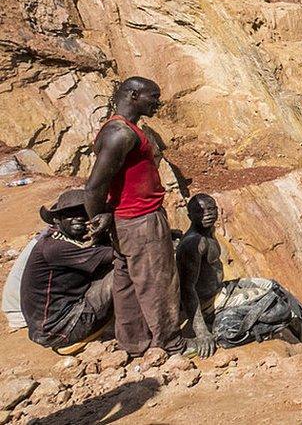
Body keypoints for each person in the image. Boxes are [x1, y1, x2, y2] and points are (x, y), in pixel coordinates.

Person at [85, 77, 185, 356]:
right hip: (139, 219)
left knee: (127, 281)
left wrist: (108, 217)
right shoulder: (122, 134)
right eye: (152, 97)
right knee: (157, 280)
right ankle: (170, 341)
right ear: (133, 95)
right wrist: (98, 219)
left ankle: (133, 342)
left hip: (127, 218)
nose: (157, 103)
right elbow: (94, 186)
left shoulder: (120, 130)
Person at [177, 194, 302, 357]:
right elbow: (187, 289)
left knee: (271, 284)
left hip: (222, 290)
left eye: (212, 209)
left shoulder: (208, 232)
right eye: (201, 211)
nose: (208, 214)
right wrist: (201, 332)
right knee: (271, 297)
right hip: (210, 302)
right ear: (190, 216)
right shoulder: (194, 243)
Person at [21, 189, 114, 354]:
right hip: (61, 329)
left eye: (84, 212)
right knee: (125, 268)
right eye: (70, 214)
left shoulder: (61, 239)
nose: (79, 217)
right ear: (57, 220)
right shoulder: (56, 248)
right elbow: (118, 254)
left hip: (51, 325)